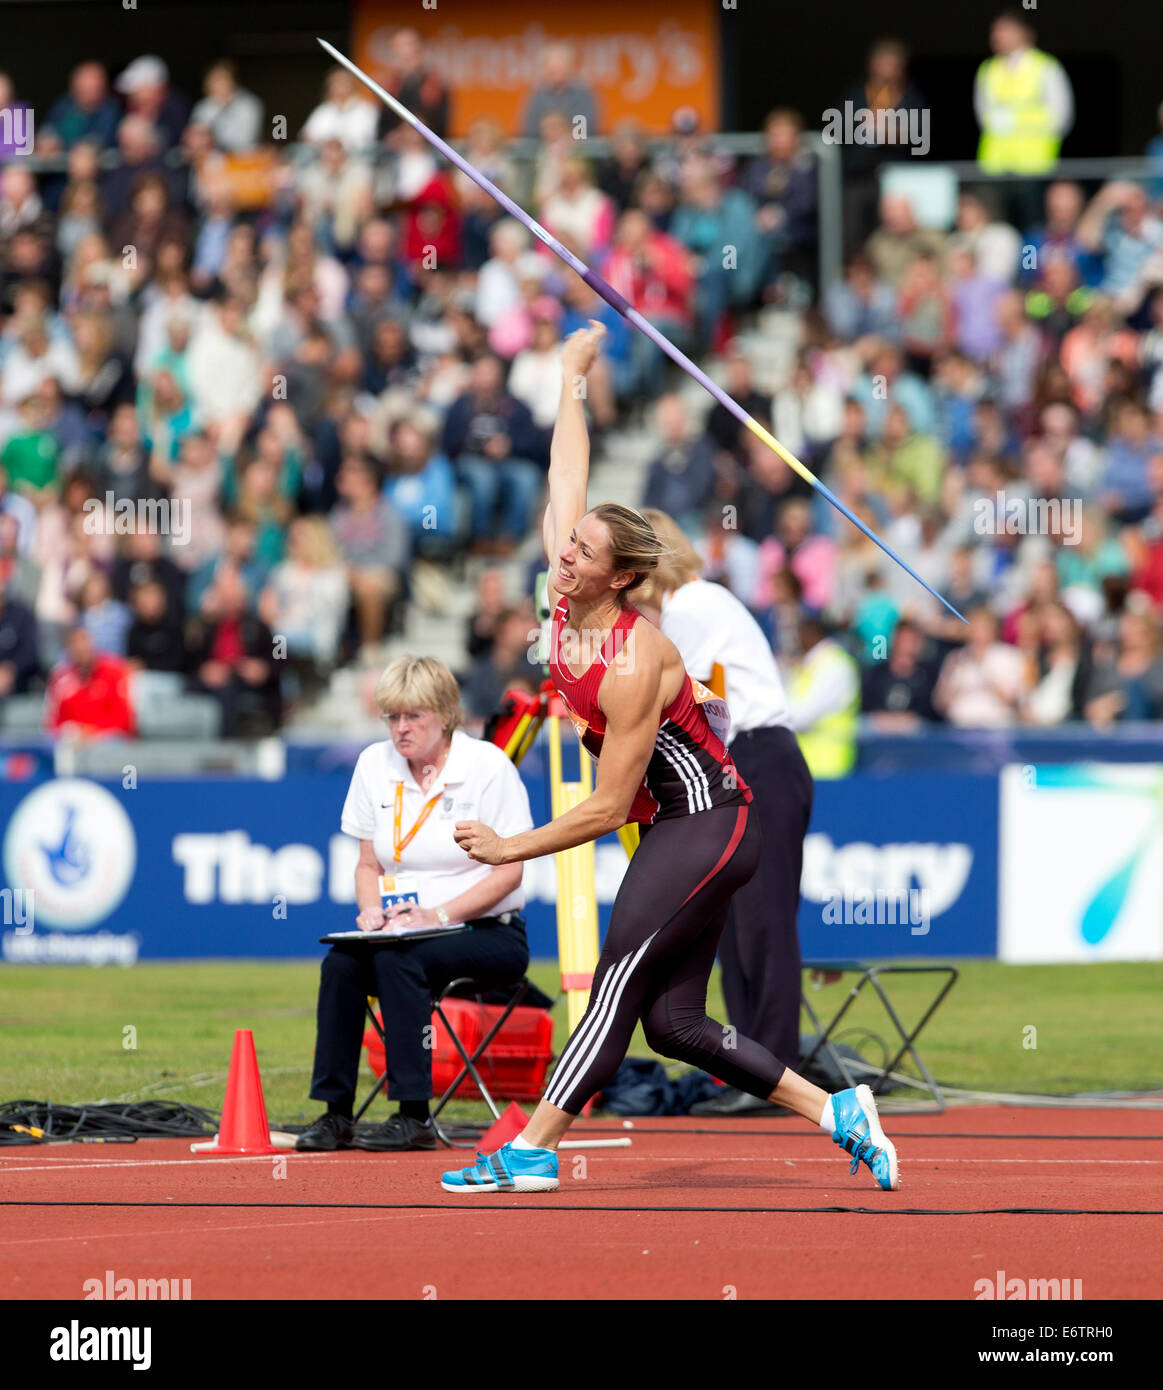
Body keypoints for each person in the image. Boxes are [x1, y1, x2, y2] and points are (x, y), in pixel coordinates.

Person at [442, 322, 899, 1194]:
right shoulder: (561, 593)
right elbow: (563, 476)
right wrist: (573, 378)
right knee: (675, 1024)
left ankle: (534, 1148)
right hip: (686, 827)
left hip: (711, 824)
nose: (562, 553)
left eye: (580, 553)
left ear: (616, 580)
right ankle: (838, 1110)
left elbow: (609, 808)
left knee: (613, 978)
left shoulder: (630, 657)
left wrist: (510, 847)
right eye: (565, 545)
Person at [297, 655, 534, 1153]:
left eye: (413, 717)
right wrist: (370, 911)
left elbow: (510, 870)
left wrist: (442, 915)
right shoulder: (372, 764)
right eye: (392, 717)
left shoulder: (488, 766)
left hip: (486, 931)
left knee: (400, 960)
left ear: (445, 715)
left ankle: (414, 1113)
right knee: (341, 963)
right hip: (402, 929)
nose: (400, 729)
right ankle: (335, 1113)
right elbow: (368, 865)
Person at [636, 509, 811, 1118]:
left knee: (761, 921)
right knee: (736, 922)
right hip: (747, 761)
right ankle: (752, 1069)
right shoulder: (697, 603)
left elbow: (671, 694)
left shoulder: (692, 605)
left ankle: (774, 1069)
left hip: (757, 755)